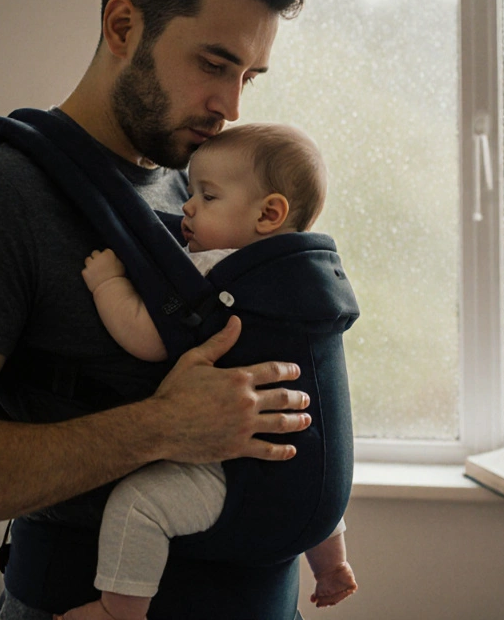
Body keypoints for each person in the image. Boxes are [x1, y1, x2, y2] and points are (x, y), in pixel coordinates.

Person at [0, 0, 319, 619]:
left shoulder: (199, 190)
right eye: (213, 64)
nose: (230, 106)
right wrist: (161, 427)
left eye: (249, 78)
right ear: (122, 27)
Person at [63, 124, 357, 620]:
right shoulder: (316, 278)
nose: (188, 207)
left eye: (208, 195)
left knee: (138, 506)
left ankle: (119, 610)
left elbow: (147, 336)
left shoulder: (218, 271)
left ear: (268, 214)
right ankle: (332, 567)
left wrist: (109, 283)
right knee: (313, 443)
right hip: (319, 489)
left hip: (242, 478)